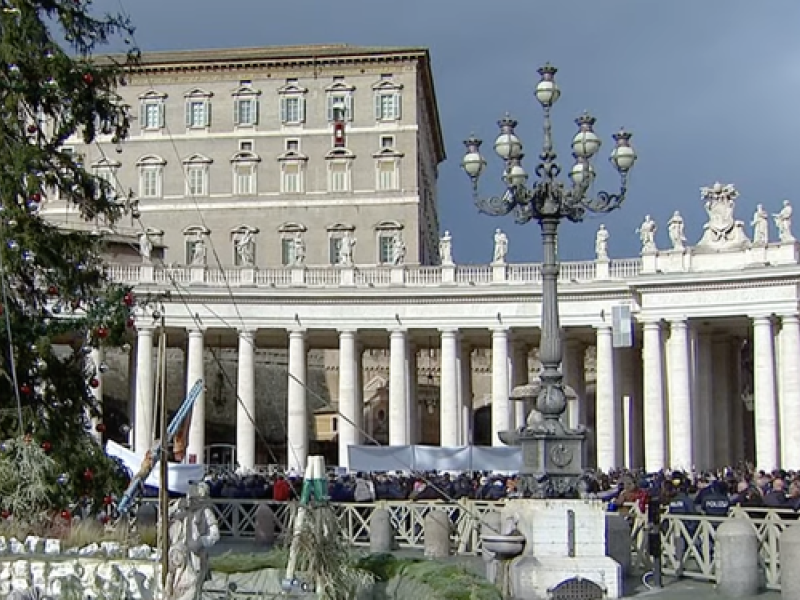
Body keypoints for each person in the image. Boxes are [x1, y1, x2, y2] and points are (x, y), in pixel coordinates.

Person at [165, 481, 220, 600]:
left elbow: (215, 534)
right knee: (175, 583)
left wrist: (201, 542)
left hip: (196, 557)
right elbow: (166, 517)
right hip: (179, 554)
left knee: (193, 588)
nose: (191, 501)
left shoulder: (206, 512)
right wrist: (176, 506)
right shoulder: (184, 510)